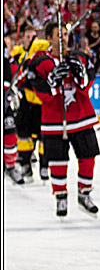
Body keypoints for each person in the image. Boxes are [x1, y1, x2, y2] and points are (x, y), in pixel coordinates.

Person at [33, 21, 100, 218]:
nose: (63, 37)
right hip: (54, 121)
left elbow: (87, 86)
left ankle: (84, 194)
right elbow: (40, 92)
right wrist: (52, 83)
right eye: (58, 34)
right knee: (57, 161)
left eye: (65, 34)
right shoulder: (39, 63)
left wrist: (82, 76)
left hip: (81, 118)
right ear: (49, 38)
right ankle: (60, 197)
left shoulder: (80, 57)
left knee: (88, 158)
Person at [12, 32, 51, 181]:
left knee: (44, 136)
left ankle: (44, 165)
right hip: (27, 101)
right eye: (27, 37)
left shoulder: (43, 49)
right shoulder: (19, 54)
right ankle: (25, 164)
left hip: (43, 103)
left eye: (32, 36)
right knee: (24, 136)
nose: (31, 40)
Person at [3, 45, 23, 183]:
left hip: (4, 103)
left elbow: (15, 83)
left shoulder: (8, 63)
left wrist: (13, 95)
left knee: (10, 136)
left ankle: (10, 166)